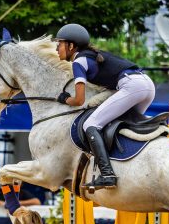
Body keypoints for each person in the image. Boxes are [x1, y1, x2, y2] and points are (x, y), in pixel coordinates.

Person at [54, 23, 156, 190]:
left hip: (132, 86)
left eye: (60, 43)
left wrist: (65, 99)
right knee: (121, 125)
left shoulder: (78, 62)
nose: (57, 48)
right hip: (146, 85)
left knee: (90, 124)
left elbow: (79, 100)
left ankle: (107, 174)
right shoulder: (92, 56)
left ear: (71, 46)